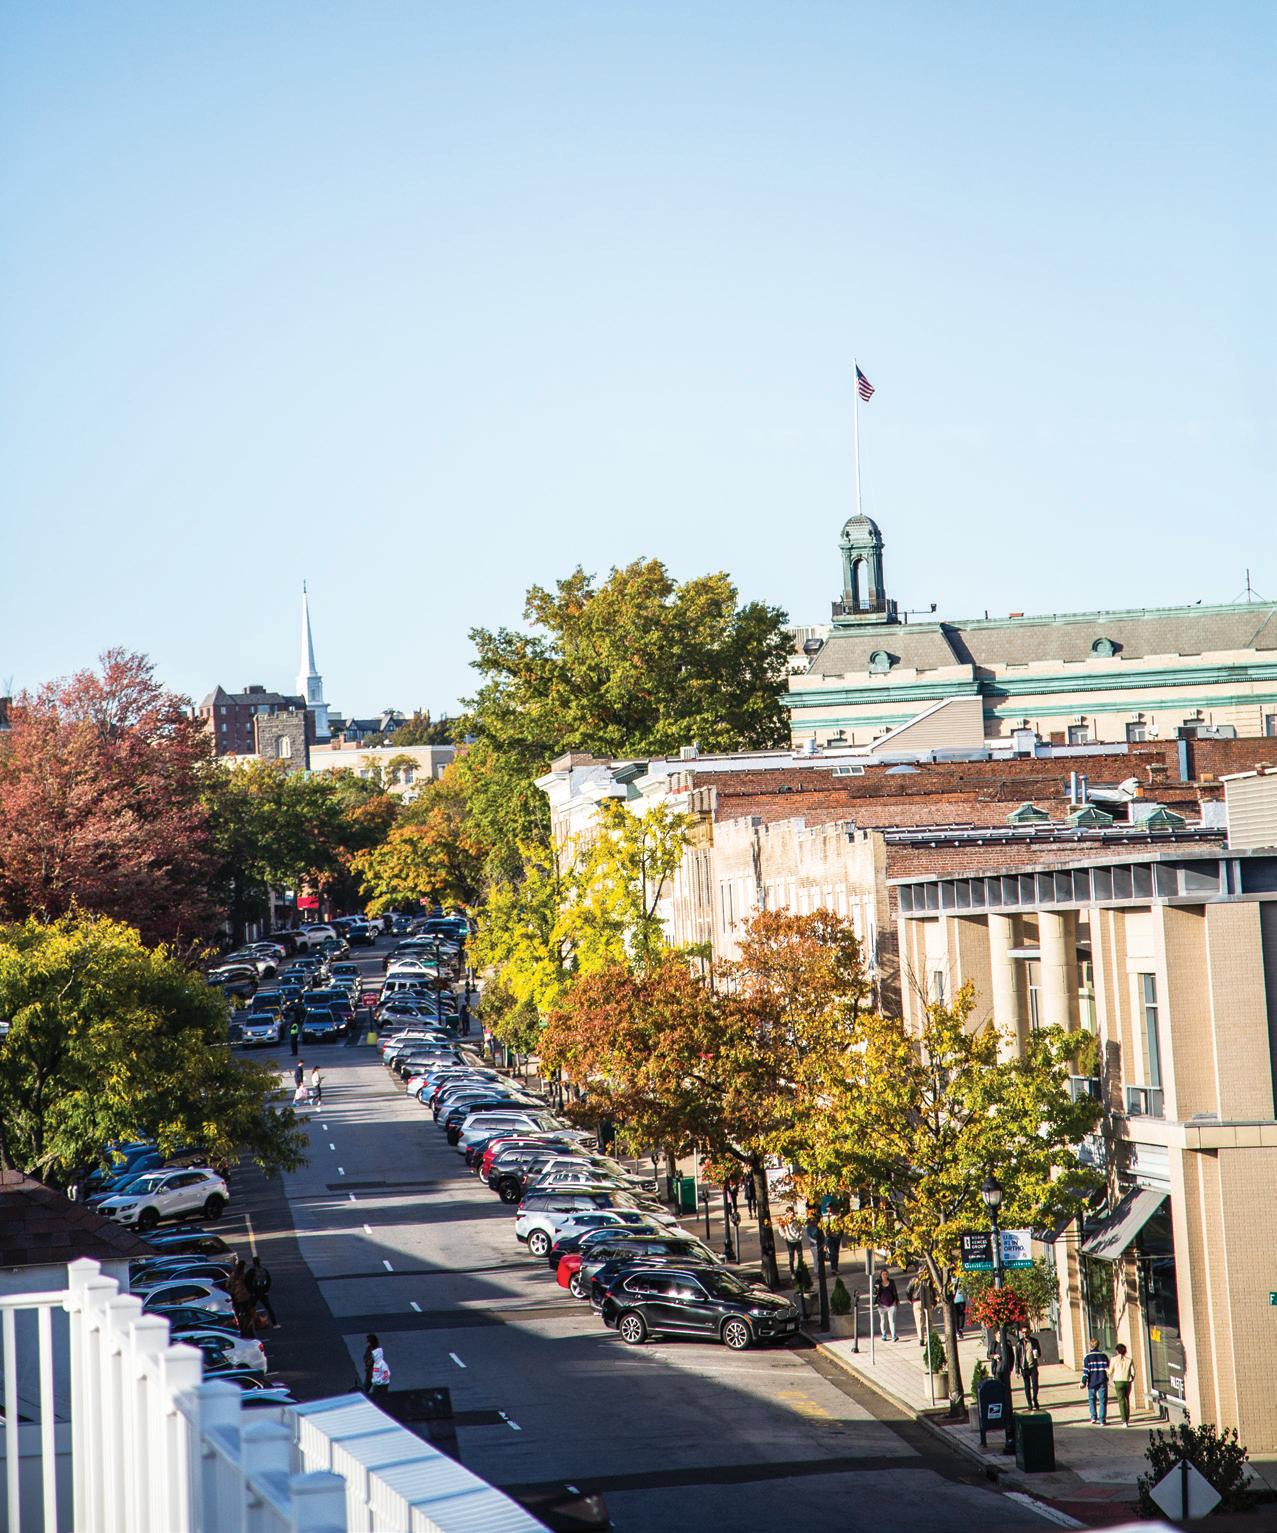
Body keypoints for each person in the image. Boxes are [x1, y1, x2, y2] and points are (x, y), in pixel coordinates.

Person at [1081, 1336, 1110, 1424]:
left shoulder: (1087, 1357)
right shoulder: (1104, 1356)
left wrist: (1083, 1381)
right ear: (1098, 1345)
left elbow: (1086, 1371)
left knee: (1091, 1399)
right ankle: (1102, 1420)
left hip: (1092, 1381)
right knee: (1103, 1401)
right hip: (1102, 1380)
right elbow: (1107, 1368)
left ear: (1090, 1346)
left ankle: (1093, 1417)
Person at [246, 1255, 278, 1328]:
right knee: (269, 1308)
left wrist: (251, 1291)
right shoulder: (264, 1270)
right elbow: (269, 1281)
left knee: (249, 1308)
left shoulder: (251, 1271)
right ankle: (275, 1323)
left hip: (254, 1293)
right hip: (263, 1293)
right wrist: (266, 1290)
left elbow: (247, 1282)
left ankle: (247, 1325)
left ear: (253, 1263)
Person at [1015, 1324, 1042, 1410]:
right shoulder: (1019, 1343)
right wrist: (1017, 1370)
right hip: (1024, 1367)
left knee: (1035, 1385)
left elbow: (1039, 1353)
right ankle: (1029, 1403)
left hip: (1033, 1366)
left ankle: (1035, 1398)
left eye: (1026, 1332)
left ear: (1029, 1332)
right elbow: (1017, 1358)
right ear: (1021, 1333)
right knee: (1027, 1386)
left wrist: (1037, 1354)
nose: (1025, 1334)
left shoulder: (1034, 1341)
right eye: (1023, 1332)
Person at [907, 1267, 934, 1347]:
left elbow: (908, 1290)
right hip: (927, 1300)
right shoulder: (928, 1280)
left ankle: (921, 1338)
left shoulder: (914, 1280)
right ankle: (930, 1338)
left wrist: (910, 1299)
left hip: (917, 1302)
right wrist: (934, 1302)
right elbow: (933, 1292)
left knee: (919, 1321)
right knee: (929, 1320)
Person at [228, 1258, 255, 1338]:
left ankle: (241, 1329)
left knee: (238, 1313)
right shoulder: (245, 1275)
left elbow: (228, 1285)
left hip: (237, 1297)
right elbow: (250, 1284)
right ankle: (249, 1329)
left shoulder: (233, 1275)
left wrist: (232, 1292)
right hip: (246, 1297)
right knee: (249, 1314)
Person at [1110, 1343, 1135, 1426]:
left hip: (1118, 1381)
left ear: (1117, 1351)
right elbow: (1133, 1372)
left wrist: (1105, 1369)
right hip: (1127, 1381)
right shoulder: (1130, 1360)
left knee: (1121, 1401)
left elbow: (1110, 1372)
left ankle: (1124, 1421)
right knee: (1126, 1399)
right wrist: (1131, 1379)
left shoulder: (1113, 1359)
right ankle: (1127, 1419)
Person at [778, 1208, 805, 1277]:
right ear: (787, 1213)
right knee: (791, 1256)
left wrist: (800, 1235)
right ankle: (792, 1272)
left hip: (797, 1240)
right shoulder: (784, 1220)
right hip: (790, 1241)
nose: (791, 1213)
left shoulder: (797, 1219)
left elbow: (801, 1227)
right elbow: (780, 1228)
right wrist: (784, 1236)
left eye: (792, 1212)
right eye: (789, 1212)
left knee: (800, 1256)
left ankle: (800, 1270)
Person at [874, 1269, 899, 1341]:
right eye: (883, 1274)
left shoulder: (891, 1282)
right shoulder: (878, 1282)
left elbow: (895, 1292)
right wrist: (876, 1288)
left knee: (892, 1320)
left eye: (886, 1274)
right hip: (882, 1305)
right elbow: (875, 1293)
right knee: (883, 1320)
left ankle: (894, 1335)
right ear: (880, 1275)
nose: (885, 1276)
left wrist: (897, 1301)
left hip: (892, 1304)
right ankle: (884, 1334)